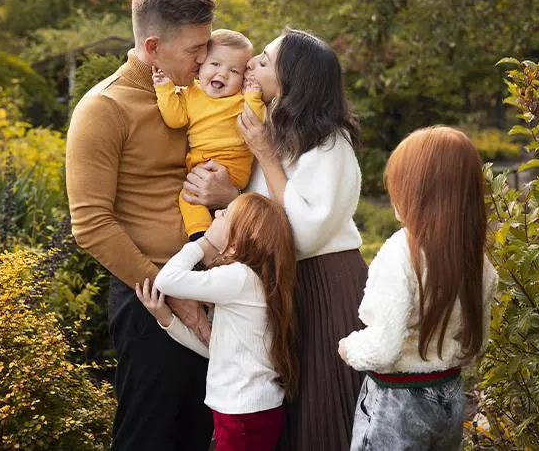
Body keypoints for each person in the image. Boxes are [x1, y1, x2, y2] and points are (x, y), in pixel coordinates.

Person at [181, 29, 368, 450]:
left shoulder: (329, 145)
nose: (250, 64)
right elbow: (263, 207)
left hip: (325, 286)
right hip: (284, 286)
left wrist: (252, 171)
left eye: (264, 61)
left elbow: (301, 232)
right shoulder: (269, 128)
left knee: (322, 412)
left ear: (290, 81)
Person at [65, 0, 216, 450]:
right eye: (195, 48)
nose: (204, 58)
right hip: (150, 300)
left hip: (212, 290)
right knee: (147, 438)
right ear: (153, 47)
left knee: (200, 436)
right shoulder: (103, 108)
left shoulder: (199, 96)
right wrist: (173, 295)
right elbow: (91, 225)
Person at [338, 126, 498, 451]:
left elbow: (384, 349)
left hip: (397, 401)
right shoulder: (477, 260)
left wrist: (350, 347)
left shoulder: (402, 252)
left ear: (419, 193)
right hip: (449, 394)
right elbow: (475, 343)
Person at [135, 193, 297, 451]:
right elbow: (215, 351)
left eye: (225, 214)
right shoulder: (253, 281)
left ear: (235, 242)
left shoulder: (238, 278)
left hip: (242, 415)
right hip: (246, 412)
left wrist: (203, 242)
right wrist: (167, 319)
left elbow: (167, 280)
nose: (217, 214)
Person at [154, 28, 266, 241]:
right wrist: (164, 89)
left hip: (233, 166)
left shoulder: (241, 98)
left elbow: (257, 120)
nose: (222, 74)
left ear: (243, 77)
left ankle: (207, 238)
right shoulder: (190, 93)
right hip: (200, 165)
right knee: (188, 197)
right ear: (200, 67)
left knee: (191, 195)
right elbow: (175, 119)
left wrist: (253, 96)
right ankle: (201, 236)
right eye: (215, 64)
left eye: (234, 71)